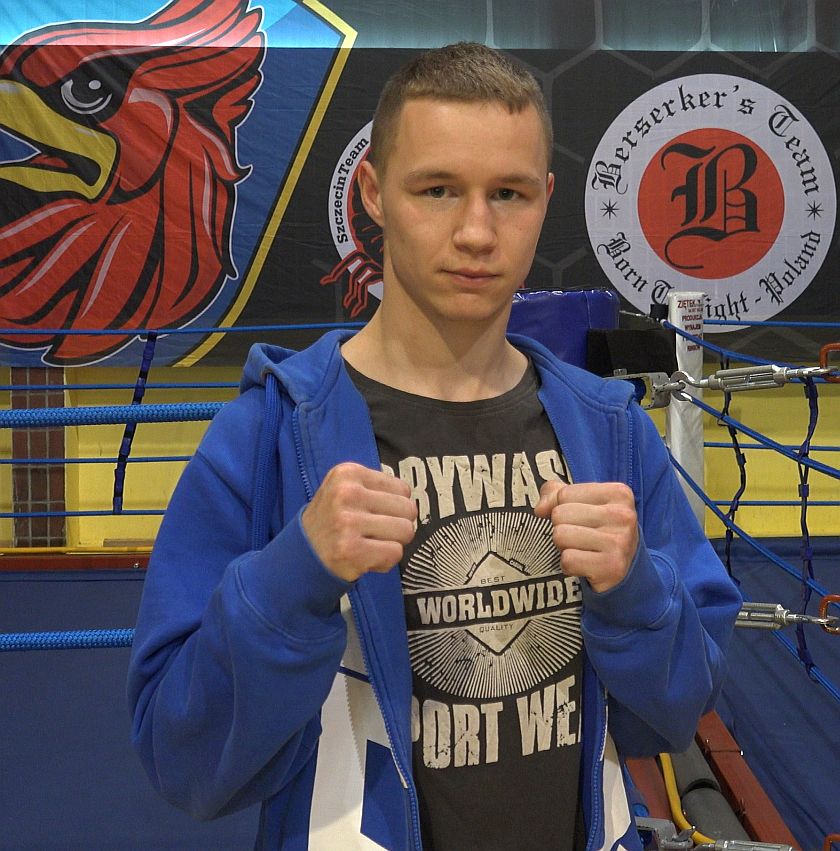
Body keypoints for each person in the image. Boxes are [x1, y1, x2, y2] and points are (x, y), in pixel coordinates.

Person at [128, 42, 741, 851]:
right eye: (438, 189)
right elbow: (183, 758)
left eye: (509, 193)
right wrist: (293, 574)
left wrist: (635, 592)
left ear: (546, 199)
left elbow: (673, 711)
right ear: (374, 193)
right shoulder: (271, 436)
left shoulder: (610, 429)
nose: (477, 232)